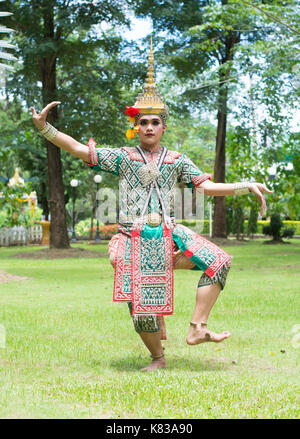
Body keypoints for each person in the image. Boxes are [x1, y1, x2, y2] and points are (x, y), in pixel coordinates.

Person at [31, 39, 271, 372]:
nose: (148, 127)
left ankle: (198, 328)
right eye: (142, 122)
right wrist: (45, 128)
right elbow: (79, 150)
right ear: (136, 126)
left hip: (169, 235)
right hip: (133, 240)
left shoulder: (177, 160)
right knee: (142, 310)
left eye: (154, 123)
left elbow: (209, 187)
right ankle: (158, 357)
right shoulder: (124, 157)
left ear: (163, 127)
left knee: (220, 262)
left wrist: (246, 186)